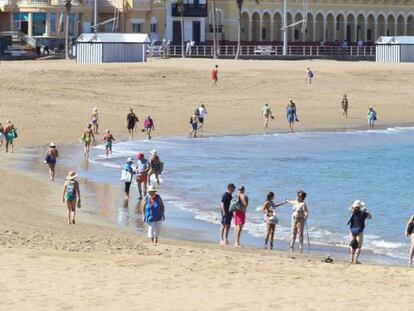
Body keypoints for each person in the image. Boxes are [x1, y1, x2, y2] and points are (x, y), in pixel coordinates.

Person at [348, 200, 372, 264]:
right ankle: (355, 260)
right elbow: (370, 217)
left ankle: (351, 258)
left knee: (352, 244)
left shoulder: (353, 212)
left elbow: (350, 208)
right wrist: (366, 210)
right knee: (358, 246)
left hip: (352, 229)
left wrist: (352, 206)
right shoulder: (363, 213)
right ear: (360, 207)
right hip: (359, 230)